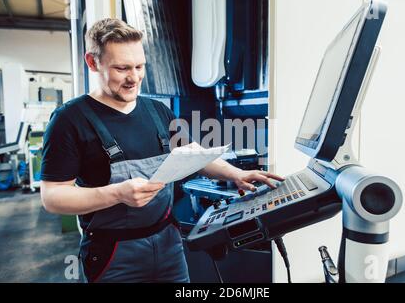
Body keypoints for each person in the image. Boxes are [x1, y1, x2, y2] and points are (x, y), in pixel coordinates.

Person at [40, 18, 283, 283]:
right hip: (114, 255)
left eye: (139, 66)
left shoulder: (158, 112)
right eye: (122, 68)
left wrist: (236, 174)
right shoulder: (69, 120)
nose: (134, 77)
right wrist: (117, 194)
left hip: (169, 246)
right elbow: (53, 197)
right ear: (92, 62)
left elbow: (194, 155)